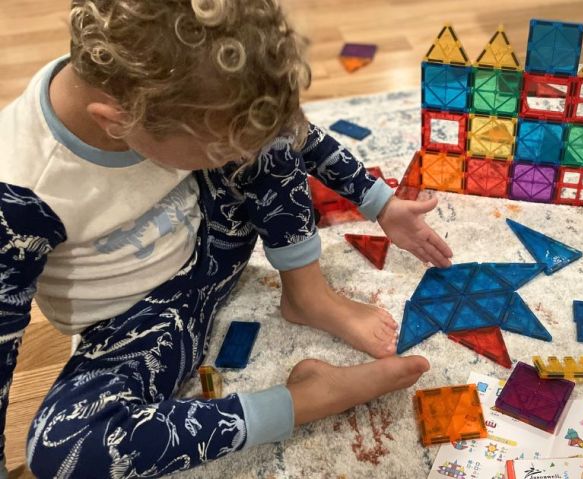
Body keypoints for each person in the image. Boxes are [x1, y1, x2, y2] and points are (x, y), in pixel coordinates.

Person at [0, 0, 452, 476]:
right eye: (217, 148)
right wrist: (287, 407)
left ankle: (308, 295)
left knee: (267, 133)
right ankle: (307, 399)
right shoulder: (19, 192)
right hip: (133, 324)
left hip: (216, 249)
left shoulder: (176, 103)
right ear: (116, 120)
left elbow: (287, 135)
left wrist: (382, 203)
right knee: (64, 452)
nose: (242, 153)